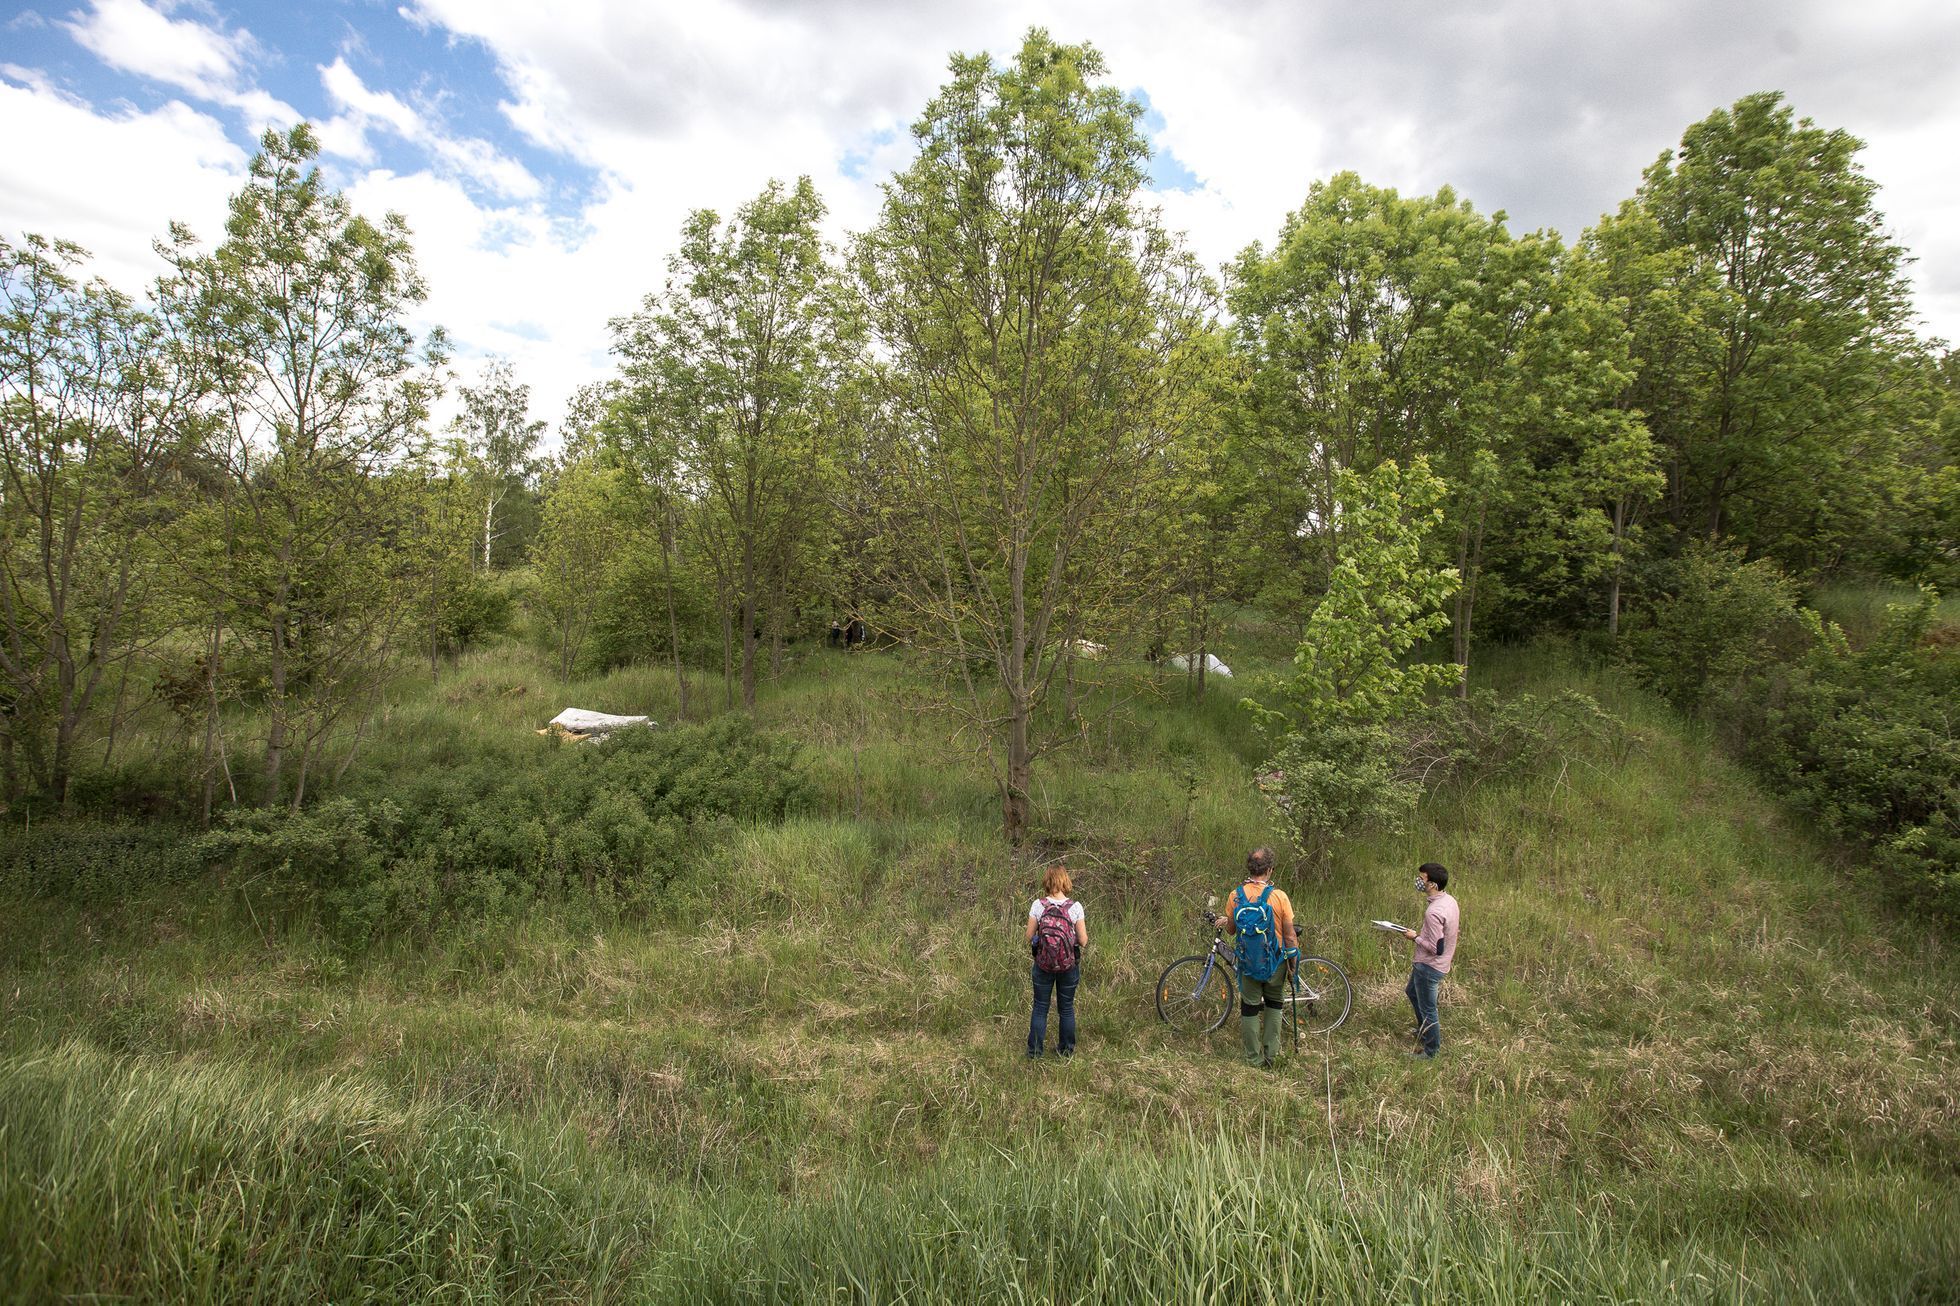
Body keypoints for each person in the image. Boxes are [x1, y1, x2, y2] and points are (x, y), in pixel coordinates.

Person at [1218, 847, 1298, 1068]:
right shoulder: (1279, 897)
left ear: (1249, 868)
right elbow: (1290, 936)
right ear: (1270, 870)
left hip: (1248, 962)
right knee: (1274, 1004)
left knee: (1250, 1007)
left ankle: (1253, 1059)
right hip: (1276, 962)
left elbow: (1232, 930)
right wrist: (1293, 964)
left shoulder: (1236, 896)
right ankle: (1271, 1056)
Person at [1024, 862, 1086, 1058]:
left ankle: (1034, 1052)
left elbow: (1028, 936)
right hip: (1068, 966)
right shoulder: (1075, 907)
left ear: (1047, 881)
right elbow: (1083, 941)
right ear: (1065, 881)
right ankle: (1066, 1051)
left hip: (1043, 965)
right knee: (1066, 1008)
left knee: (1040, 1007)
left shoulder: (1038, 905)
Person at [1399, 862, 1460, 1059]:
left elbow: (1435, 948)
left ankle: (1430, 1050)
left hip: (1429, 966)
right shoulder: (1449, 901)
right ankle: (1424, 1030)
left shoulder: (1433, 912)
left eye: (1422, 878)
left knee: (1428, 1008)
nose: (1418, 881)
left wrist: (1414, 937)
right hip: (1437, 964)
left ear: (1432, 884)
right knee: (1411, 992)